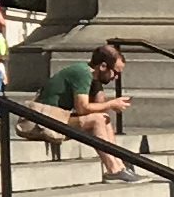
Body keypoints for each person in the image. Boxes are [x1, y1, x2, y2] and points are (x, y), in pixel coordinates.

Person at [40, 44, 133, 178]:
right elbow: (82, 108)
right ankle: (113, 170)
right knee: (97, 120)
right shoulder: (82, 73)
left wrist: (98, 87)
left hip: (58, 118)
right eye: (116, 72)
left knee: (104, 118)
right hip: (42, 121)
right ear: (103, 66)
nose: (116, 78)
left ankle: (120, 166)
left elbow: (98, 106)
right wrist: (112, 103)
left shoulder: (92, 77)